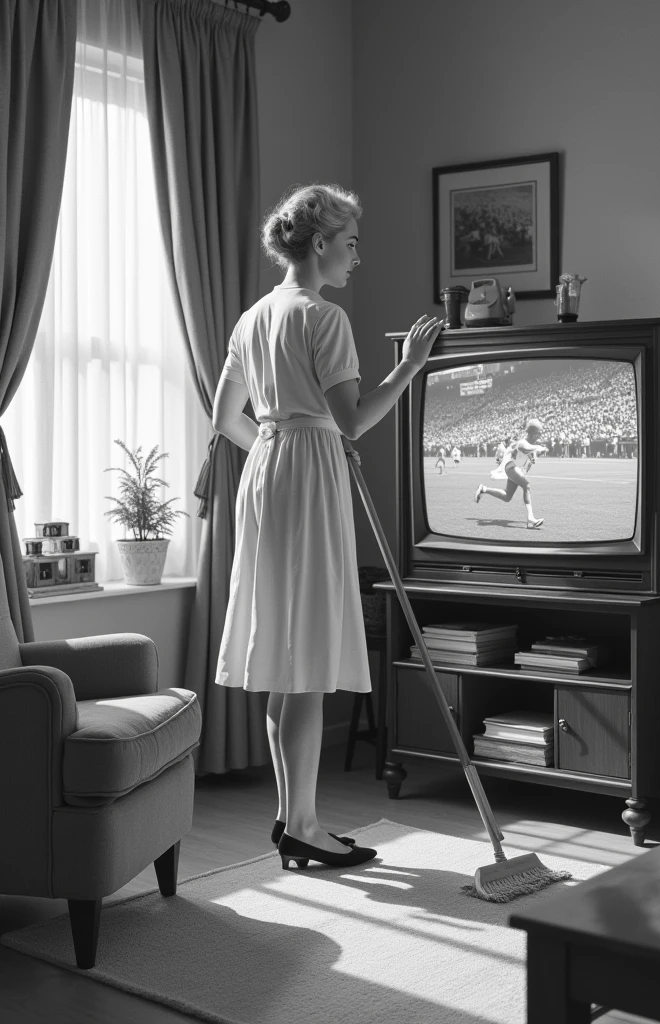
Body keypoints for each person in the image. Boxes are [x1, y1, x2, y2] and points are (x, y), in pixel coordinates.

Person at [211, 182, 444, 870]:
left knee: (287, 657)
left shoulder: (253, 317)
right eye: (349, 245)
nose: (355, 259)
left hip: (269, 474)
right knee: (305, 658)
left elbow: (225, 420)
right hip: (306, 473)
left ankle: (293, 819)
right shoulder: (323, 316)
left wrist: (278, 456)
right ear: (319, 244)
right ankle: (306, 824)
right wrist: (408, 368)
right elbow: (351, 421)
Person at [475, 418, 548, 528]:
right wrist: (539, 448)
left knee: (507, 496)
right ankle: (530, 518)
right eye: (538, 433)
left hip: (516, 470)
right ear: (532, 433)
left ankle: (483, 489)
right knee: (527, 486)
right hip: (511, 468)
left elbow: (530, 458)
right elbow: (526, 449)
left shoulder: (532, 445)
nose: (539, 436)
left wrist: (540, 452)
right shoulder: (524, 443)